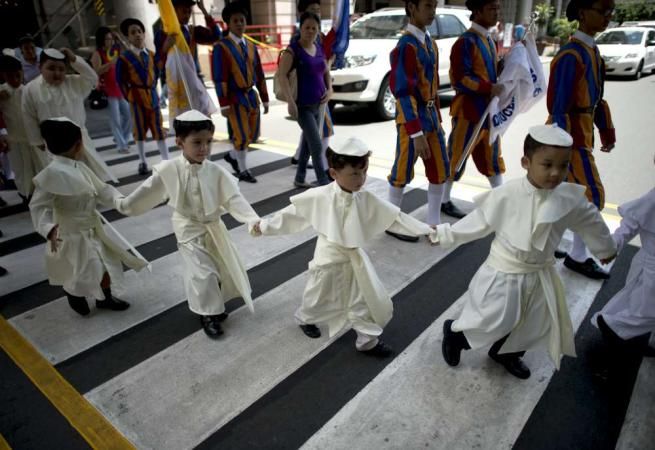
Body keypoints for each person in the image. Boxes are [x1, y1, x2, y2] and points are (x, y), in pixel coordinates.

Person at [439, 125, 616, 379]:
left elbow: (591, 222)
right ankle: (457, 336)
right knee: (491, 318)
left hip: (539, 272)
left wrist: (605, 248)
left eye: (563, 166)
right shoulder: (508, 194)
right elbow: (479, 221)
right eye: (547, 165)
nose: (555, 173)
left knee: (532, 320)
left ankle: (506, 353)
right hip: (503, 272)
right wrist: (445, 235)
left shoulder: (570, 199)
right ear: (526, 162)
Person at [253, 137, 436, 357]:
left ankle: (367, 340)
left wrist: (426, 229)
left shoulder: (365, 198)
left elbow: (395, 218)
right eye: (354, 174)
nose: (361, 179)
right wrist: (264, 226)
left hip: (354, 258)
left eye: (364, 172)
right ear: (334, 173)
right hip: (328, 256)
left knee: (362, 298)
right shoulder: (320, 196)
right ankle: (305, 318)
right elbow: (291, 215)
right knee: (318, 294)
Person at [115, 110, 260, 338]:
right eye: (197, 142)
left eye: (208, 142)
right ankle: (208, 314)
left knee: (219, 269)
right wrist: (122, 204)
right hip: (187, 229)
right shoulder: (169, 170)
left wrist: (252, 220)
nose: (204, 148)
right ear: (179, 142)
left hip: (214, 228)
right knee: (202, 273)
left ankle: (214, 305)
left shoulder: (216, 171)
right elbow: (145, 193)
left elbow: (234, 199)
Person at [29, 118, 148, 316]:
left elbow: (101, 189)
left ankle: (105, 298)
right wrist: (48, 228)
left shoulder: (80, 167)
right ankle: (74, 294)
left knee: (103, 264)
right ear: (79, 145)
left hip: (91, 227)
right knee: (80, 269)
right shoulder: (50, 175)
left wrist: (119, 200)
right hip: (69, 233)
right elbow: (39, 206)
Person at [547, 0, 617, 280]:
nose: (607, 17)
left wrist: (606, 130)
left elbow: (597, 100)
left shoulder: (592, 52)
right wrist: (563, 143)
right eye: (602, 11)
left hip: (581, 134)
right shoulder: (570, 55)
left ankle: (553, 245)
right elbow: (559, 106)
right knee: (591, 195)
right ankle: (578, 255)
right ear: (583, 13)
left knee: (560, 195)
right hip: (571, 138)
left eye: (610, 12)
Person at [386, 0, 450, 242]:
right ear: (412, 7)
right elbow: (402, 92)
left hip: (431, 117)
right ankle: (392, 221)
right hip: (412, 119)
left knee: (440, 168)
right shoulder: (406, 46)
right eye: (427, 6)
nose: (432, 11)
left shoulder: (429, 42)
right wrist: (415, 132)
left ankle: (433, 222)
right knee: (402, 169)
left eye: (434, 6)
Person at [443, 0, 505, 220]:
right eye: (491, 8)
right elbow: (460, 79)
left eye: (497, 8)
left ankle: (502, 201)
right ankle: (443, 200)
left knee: (492, 157)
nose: (496, 12)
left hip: (488, 111)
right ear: (477, 12)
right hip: (468, 112)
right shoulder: (465, 42)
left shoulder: (488, 39)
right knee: (456, 156)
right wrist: (489, 87)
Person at [21, 48, 117, 183]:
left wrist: (74, 59)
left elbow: (92, 78)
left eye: (61, 69)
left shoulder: (74, 82)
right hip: (53, 144)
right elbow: (29, 116)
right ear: (40, 67)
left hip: (79, 141)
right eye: (51, 68)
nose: (57, 73)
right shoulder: (30, 89)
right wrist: (37, 141)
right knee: (64, 180)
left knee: (90, 175)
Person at [593, 155, 655, 357]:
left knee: (636, 303)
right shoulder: (652, 199)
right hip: (650, 267)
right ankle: (613, 326)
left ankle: (623, 330)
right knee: (646, 309)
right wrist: (612, 246)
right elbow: (629, 225)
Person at [212, 2, 269, 183]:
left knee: (253, 135)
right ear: (228, 23)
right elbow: (219, 77)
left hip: (251, 96)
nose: (239, 24)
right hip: (234, 97)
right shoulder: (222, 47)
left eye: (242, 20)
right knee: (242, 135)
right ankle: (243, 170)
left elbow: (259, 73)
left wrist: (265, 98)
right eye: (235, 21)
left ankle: (232, 156)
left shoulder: (251, 46)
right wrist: (223, 103)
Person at [278, 12, 333, 188]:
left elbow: (326, 71)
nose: (310, 31)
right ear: (300, 28)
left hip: (320, 104)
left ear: (318, 30)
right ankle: (323, 182)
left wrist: (330, 89)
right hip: (302, 106)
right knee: (316, 145)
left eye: (314, 28)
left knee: (308, 144)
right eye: (307, 27)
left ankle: (300, 178)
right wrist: (290, 102)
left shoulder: (319, 47)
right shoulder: (293, 50)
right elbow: (282, 76)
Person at [116, 18, 171, 176]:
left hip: (152, 96)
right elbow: (120, 81)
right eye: (133, 32)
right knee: (139, 130)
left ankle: (166, 160)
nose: (138, 35)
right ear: (128, 37)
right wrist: (129, 97)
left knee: (158, 128)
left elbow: (157, 73)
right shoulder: (124, 58)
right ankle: (142, 161)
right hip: (136, 98)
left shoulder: (151, 55)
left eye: (140, 31)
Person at [289, 0, 337, 171]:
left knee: (314, 132)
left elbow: (323, 66)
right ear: (302, 14)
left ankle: (300, 164)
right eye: (312, 10)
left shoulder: (318, 38)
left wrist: (329, 86)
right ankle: (323, 170)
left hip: (320, 93)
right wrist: (290, 101)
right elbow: (286, 73)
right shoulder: (298, 41)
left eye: (318, 10)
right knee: (321, 132)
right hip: (305, 98)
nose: (316, 13)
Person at [155, 0, 222, 119]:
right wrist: (165, 48)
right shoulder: (163, 34)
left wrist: (204, 11)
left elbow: (216, 36)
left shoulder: (192, 31)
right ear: (174, 11)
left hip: (195, 82)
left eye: (189, 12)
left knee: (203, 120)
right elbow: (158, 64)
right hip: (177, 85)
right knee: (183, 121)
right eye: (183, 12)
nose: (187, 15)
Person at [0, 54, 48, 200]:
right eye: (10, 76)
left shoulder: (30, 91)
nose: (15, 80)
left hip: (34, 139)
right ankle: (26, 196)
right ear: (3, 76)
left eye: (18, 75)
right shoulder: (1, 93)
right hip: (15, 141)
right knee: (21, 171)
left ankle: (46, 195)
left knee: (41, 167)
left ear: (22, 72)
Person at [91, 27, 133, 155]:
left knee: (128, 115)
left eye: (111, 39)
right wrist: (110, 64)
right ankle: (122, 145)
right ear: (101, 40)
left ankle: (122, 138)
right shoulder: (98, 53)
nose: (110, 41)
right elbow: (96, 71)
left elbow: (129, 52)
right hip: (108, 90)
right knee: (115, 120)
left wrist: (119, 38)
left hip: (120, 88)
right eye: (107, 39)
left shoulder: (115, 50)